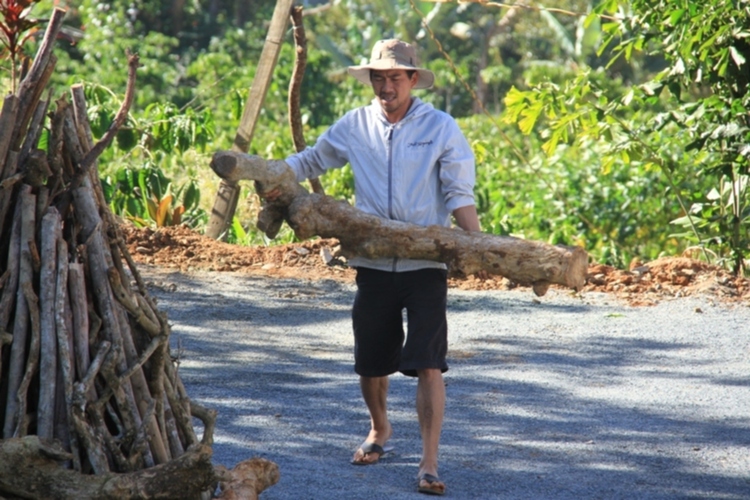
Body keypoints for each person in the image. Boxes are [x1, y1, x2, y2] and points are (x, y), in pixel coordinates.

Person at [272, 39, 481, 496]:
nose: (387, 86)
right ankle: (379, 429)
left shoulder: (440, 127)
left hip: (425, 263)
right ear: (371, 81)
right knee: (370, 360)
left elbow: (459, 193)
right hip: (370, 259)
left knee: (428, 363)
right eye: (379, 78)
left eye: (395, 78)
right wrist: (270, 174)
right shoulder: (355, 125)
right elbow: (310, 160)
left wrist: (475, 246)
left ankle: (428, 462)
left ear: (412, 80)